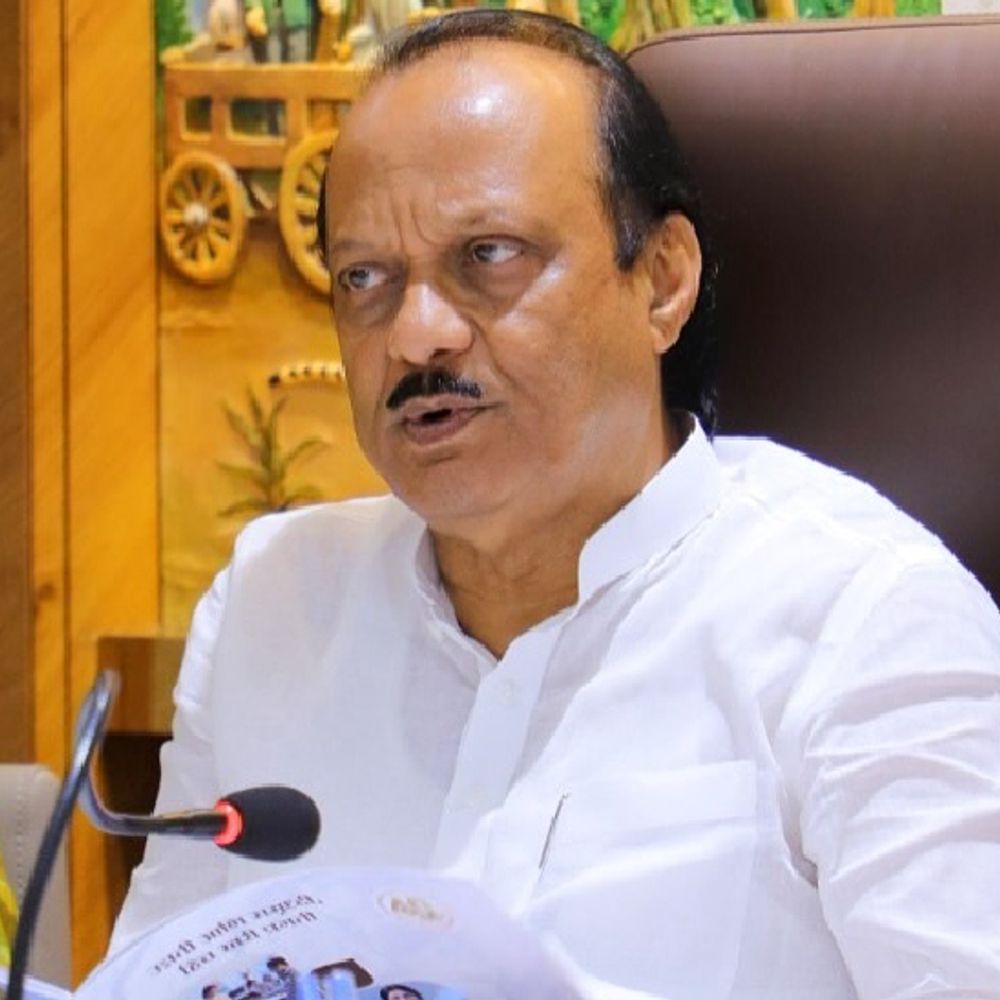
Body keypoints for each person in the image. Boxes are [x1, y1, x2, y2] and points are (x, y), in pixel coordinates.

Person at [113, 11, 1000, 999]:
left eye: (488, 256)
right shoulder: (271, 606)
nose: (415, 335)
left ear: (661, 281)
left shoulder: (861, 622)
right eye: (365, 278)